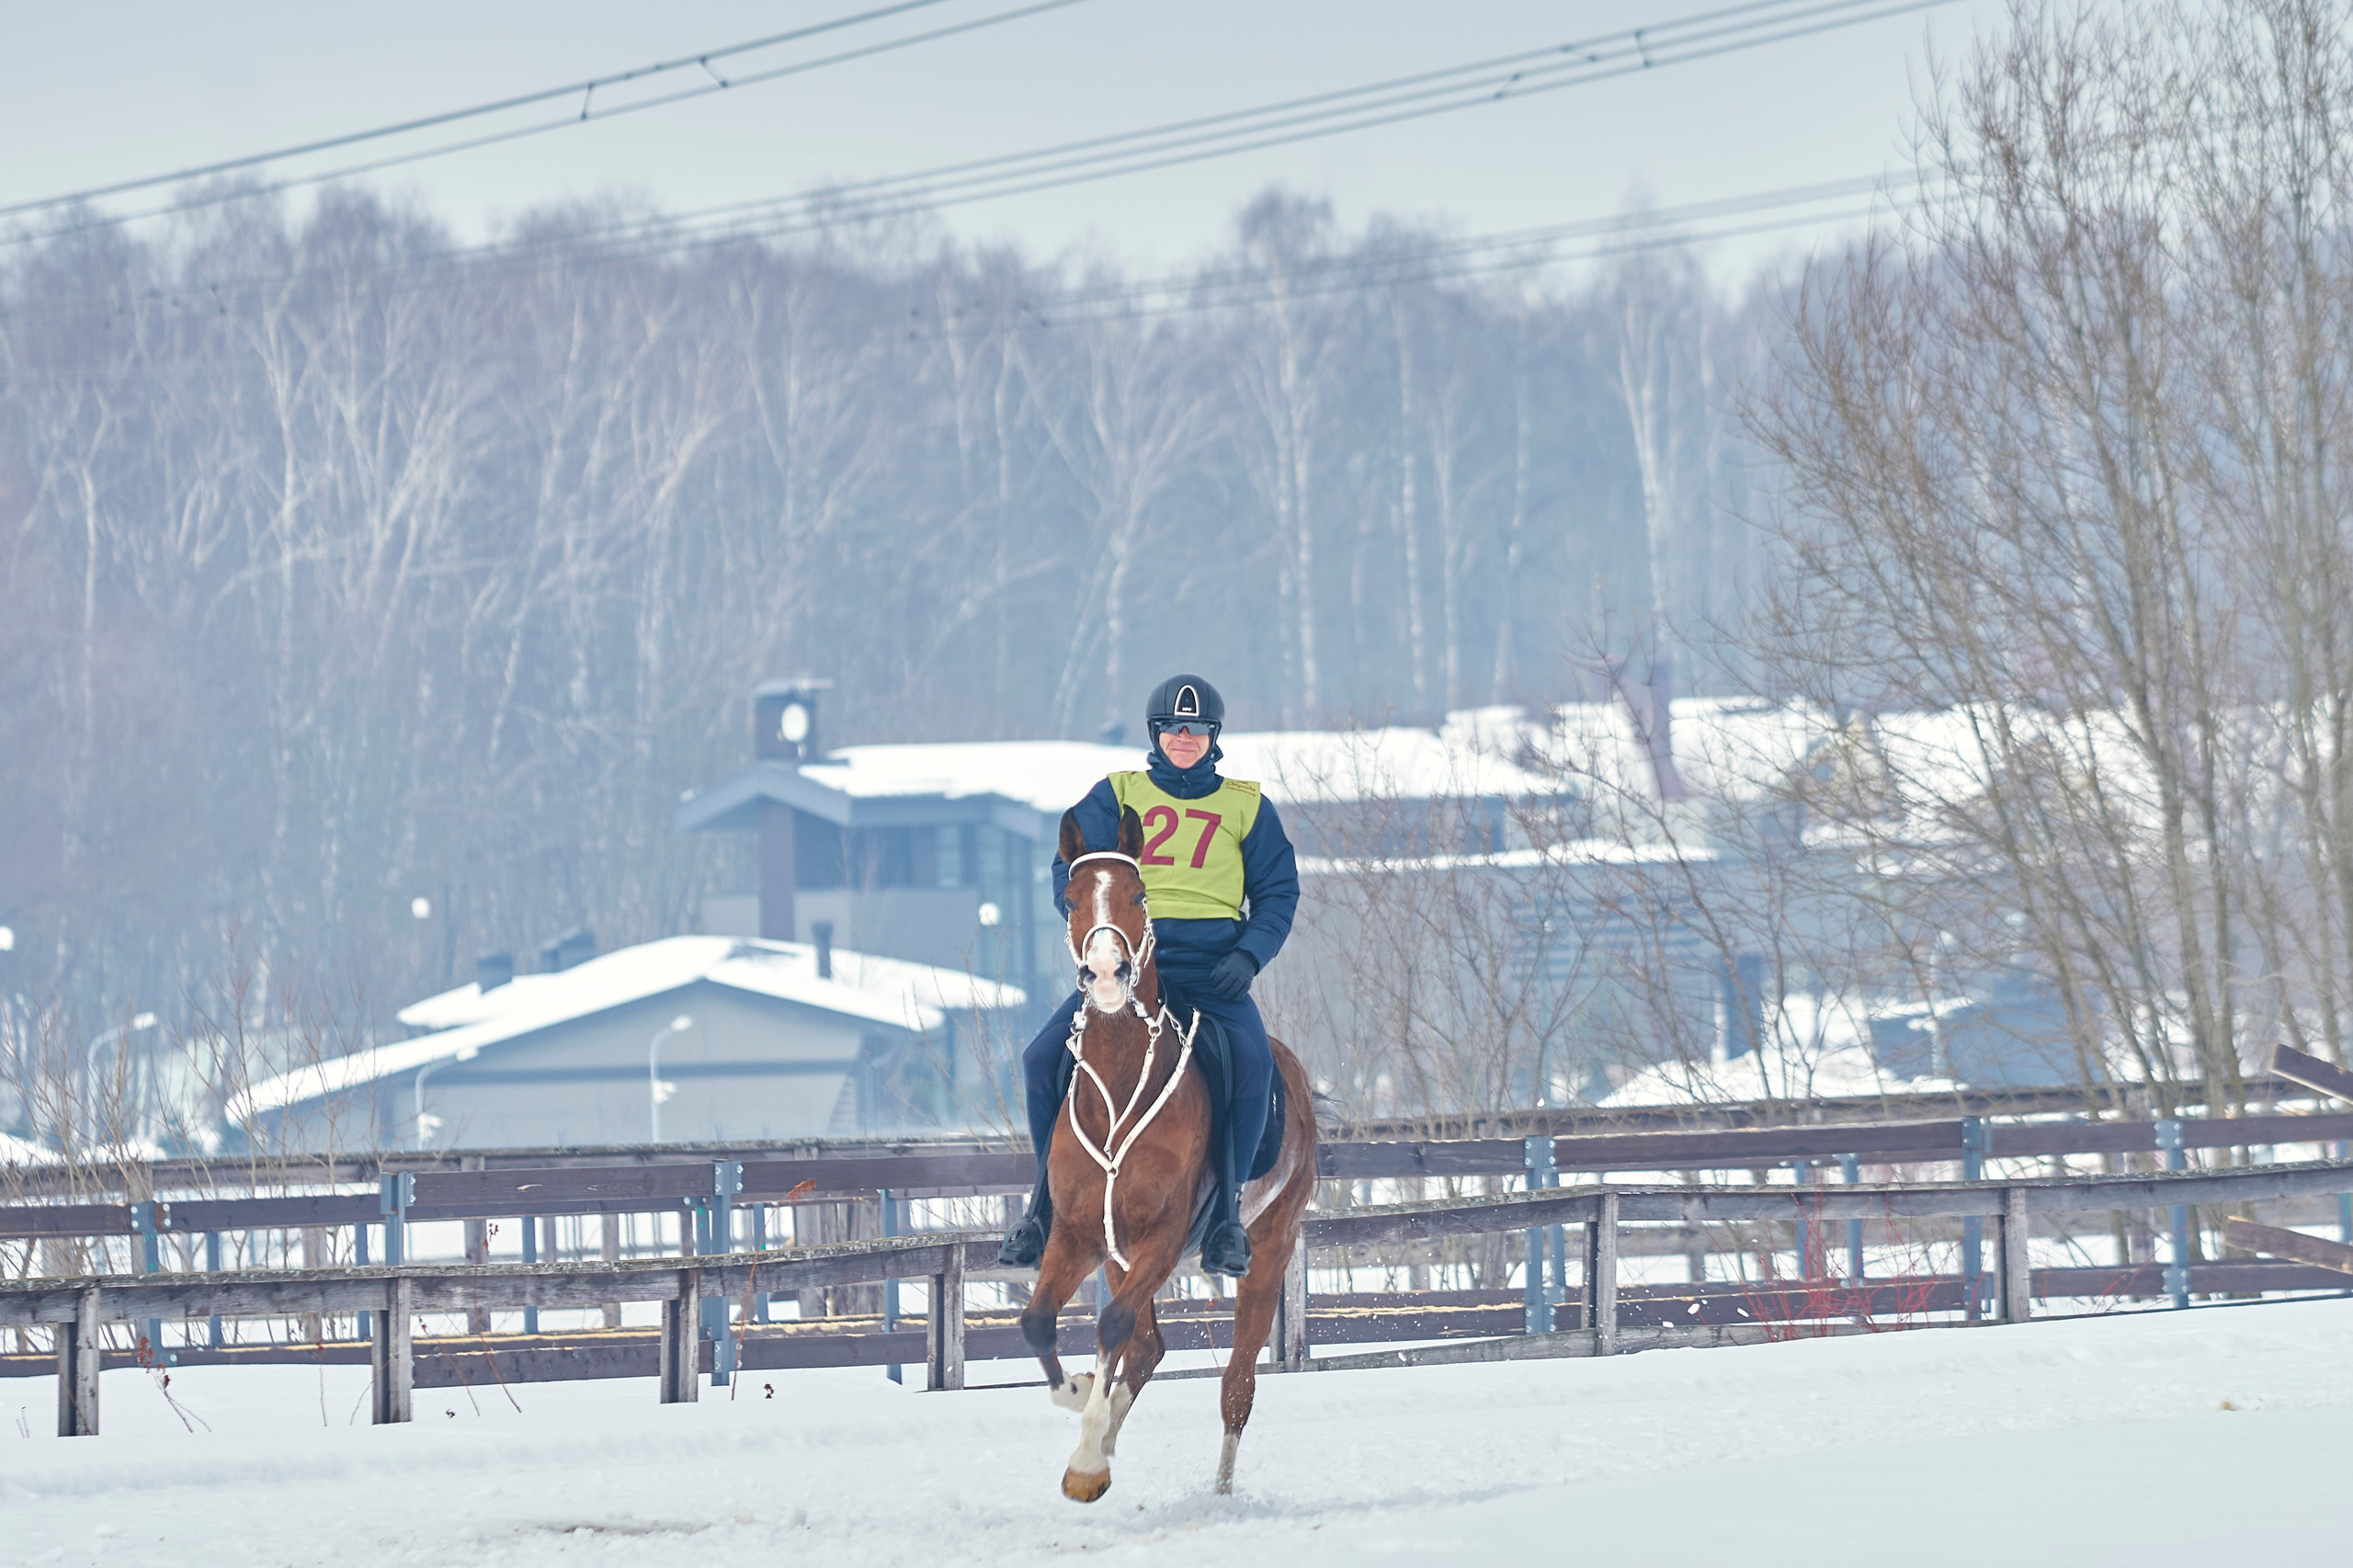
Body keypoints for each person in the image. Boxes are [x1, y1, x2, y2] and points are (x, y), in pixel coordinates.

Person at [996, 673, 1299, 1278]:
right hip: (1128, 969)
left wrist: (1249, 956)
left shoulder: (1246, 805)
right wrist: (1092, 923)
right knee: (1039, 1060)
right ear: (1155, 735)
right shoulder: (1117, 792)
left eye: (1195, 730)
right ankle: (1042, 1208)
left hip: (1215, 970)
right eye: (1172, 729)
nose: (1183, 739)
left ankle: (1226, 1220)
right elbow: (1073, 866)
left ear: (1213, 738)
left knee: (1251, 1061)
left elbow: (1278, 891)